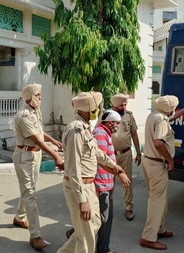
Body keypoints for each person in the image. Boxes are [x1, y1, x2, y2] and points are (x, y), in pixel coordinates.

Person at [57, 91, 129, 253]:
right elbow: (73, 168)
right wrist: (82, 200)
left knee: (94, 223)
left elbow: (97, 153)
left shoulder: (85, 127)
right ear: (86, 109)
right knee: (87, 236)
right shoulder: (76, 130)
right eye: (95, 107)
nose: (98, 110)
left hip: (89, 185)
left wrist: (115, 167)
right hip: (80, 186)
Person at [12, 83, 65, 250]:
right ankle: (35, 236)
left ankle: (20, 217)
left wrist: (52, 140)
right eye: (37, 95)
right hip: (25, 156)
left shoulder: (35, 112)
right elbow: (36, 139)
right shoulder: (24, 115)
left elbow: (40, 132)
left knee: (29, 190)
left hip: (35, 154)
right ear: (28, 97)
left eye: (40, 95)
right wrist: (56, 155)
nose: (40, 98)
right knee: (30, 195)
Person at [140, 95, 179, 250]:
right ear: (169, 109)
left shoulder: (153, 115)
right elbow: (158, 142)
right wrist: (170, 160)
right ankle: (148, 237)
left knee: (159, 200)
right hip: (157, 165)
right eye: (174, 107)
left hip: (149, 162)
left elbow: (173, 117)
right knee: (157, 201)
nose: (174, 110)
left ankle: (159, 229)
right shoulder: (162, 120)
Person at [109, 93, 141, 221]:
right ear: (114, 106)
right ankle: (106, 207)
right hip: (110, 155)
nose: (123, 107)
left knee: (127, 182)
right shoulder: (106, 116)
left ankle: (128, 208)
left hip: (126, 154)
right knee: (108, 182)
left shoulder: (129, 115)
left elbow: (134, 135)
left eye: (125, 104)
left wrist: (138, 153)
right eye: (121, 105)